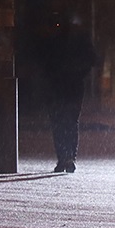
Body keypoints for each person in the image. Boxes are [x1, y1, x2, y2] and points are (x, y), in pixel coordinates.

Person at [36, 14, 98, 173]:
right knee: (69, 122)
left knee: (60, 122)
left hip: (59, 86)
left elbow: (44, 61)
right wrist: (78, 72)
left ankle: (64, 157)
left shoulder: (54, 39)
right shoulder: (79, 39)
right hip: (71, 86)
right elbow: (93, 59)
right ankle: (68, 157)